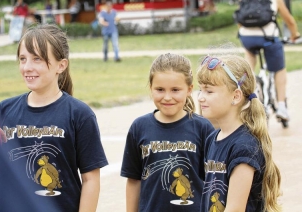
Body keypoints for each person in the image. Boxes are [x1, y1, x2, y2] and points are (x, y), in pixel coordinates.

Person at [0, 24, 108, 212]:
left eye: (37, 59)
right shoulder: (4, 110)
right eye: (23, 59)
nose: (27, 67)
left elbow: (91, 180)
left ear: (61, 65)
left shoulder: (79, 114)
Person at [120, 53, 215, 211]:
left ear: (189, 89)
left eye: (175, 90)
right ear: (150, 88)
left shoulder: (203, 128)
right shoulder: (139, 127)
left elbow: (213, 180)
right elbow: (133, 180)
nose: (167, 97)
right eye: (160, 90)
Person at [196, 54, 281, 211]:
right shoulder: (212, 139)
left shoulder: (244, 146)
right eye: (200, 90)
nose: (200, 97)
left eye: (209, 91)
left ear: (235, 96)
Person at [238, 0, 301, 122]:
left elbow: (240, 18)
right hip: (268, 37)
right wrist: (294, 35)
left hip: (246, 38)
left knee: (248, 66)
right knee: (279, 69)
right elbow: (289, 20)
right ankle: (282, 107)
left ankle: (248, 92)